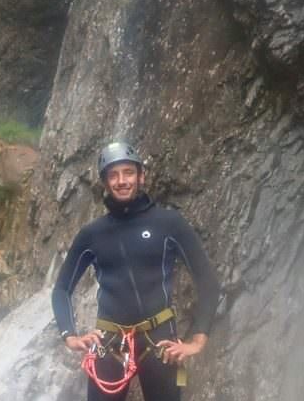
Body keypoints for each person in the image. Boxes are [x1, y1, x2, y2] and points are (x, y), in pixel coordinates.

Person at [52, 141, 220, 401]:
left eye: (128, 172)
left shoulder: (169, 224)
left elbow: (207, 281)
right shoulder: (92, 234)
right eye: (113, 175)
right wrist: (69, 335)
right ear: (105, 183)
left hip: (159, 342)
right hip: (109, 342)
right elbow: (62, 289)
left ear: (141, 176)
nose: (121, 181)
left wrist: (197, 341)